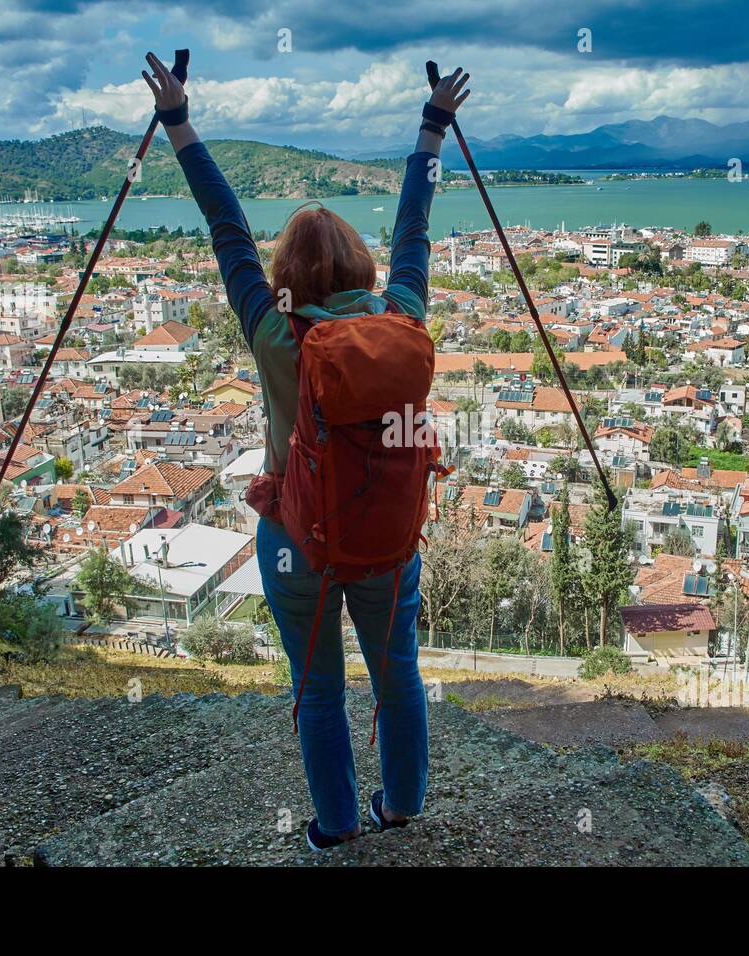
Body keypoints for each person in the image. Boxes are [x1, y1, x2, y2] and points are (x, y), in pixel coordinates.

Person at [142, 52, 470, 851]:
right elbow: (415, 231)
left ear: (286, 274)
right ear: (363, 268)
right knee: (398, 681)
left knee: (318, 691)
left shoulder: (274, 330)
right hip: (388, 544)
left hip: (297, 546)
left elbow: (226, 230)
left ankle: (335, 828)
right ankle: (402, 810)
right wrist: (432, 128)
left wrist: (179, 119)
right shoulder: (403, 317)